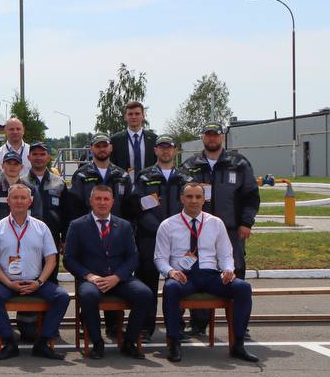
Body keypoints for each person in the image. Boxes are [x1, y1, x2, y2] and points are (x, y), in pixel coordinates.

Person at [156, 182, 258, 362]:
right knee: (170, 289)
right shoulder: (168, 225)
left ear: (204, 199)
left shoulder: (215, 223)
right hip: (184, 276)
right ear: (182, 199)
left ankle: (238, 343)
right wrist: (170, 272)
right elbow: (160, 258)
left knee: (242, 287)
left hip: (210, 275)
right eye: (189, 196)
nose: (193, 201)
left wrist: (228, 270)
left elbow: (226, 253)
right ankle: (174, 343)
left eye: (198, 197)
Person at [179, 121, 259, 339]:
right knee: (199, 272)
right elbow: (182, 195)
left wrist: (246, 223)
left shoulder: (238, 162)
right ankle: (198, 322)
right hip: (199, 230)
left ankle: (239, 323)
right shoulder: (190, 165)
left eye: (215, 135)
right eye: (208, 135)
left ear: (222, 137)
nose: (211, 139)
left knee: (234, 271)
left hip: (232, 230)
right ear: (202, 138)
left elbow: (251, 195)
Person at [63, 185, 154, 359]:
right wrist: (89, 276)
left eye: (106, 199)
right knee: (88, 296)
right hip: (92, 280)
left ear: (112, 202)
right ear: (91, 201)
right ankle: (97, 342)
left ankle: (129, 342)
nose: (102, 203)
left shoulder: (124, 225)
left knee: (145, 294)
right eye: (98, 199)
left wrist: (118, 276)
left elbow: (133, 257)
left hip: (119, 279)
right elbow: (69, 259)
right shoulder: (77, 225)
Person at [0, 184, 69, 361]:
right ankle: (9, 342)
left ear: (31, 202)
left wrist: (39, 282)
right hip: (7, 282)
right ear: (8, 201)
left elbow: (52, 260)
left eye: (23, 198)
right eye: (15, 198)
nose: (19, 201)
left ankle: (43, 342)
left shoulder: (41, 227)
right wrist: (8, 283)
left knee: (62, 297)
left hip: (35, 282)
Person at [70, 134, 131, 339]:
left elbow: (130, 206)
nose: (102, 149)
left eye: (105, 146)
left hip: (117, 232)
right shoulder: (81, 175)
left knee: (115, 279)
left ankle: (114, 326)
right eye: (98, 146)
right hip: (88, 232)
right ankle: (87, 326)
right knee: (88, 284)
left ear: (111, 148)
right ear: (91, 149)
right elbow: (75, 205)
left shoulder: (121, 175)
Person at [130, 135, 187, 338]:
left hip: (180, 239)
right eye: (161, 148)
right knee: (147, 284)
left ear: (175, 151)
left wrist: (176, 232)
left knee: (179, 282)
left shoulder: (185, 178)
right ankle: (146, 326)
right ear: (155, 151)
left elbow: (192, 206)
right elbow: (138, 207)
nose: (165, 151)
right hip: (150, 237)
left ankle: (177, 326)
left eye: (169, 148)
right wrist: (161, 229)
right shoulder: (145, 177)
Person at [25, 142, 68, 245]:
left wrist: (65, 238)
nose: (38, 157)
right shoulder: (21, 183)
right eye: (35, 154)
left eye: (42, 154)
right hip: (27, 236)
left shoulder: (59, 182)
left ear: (48, 157)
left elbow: (66, 212)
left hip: (53, 235)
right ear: (28, 157)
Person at [109, 101, 158, 177]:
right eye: (130, 114)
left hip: (148, 184)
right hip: (124, 183)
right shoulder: (115, 140)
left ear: (143, 116)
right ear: (125, 117)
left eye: (137, 114)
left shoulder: (154, 139)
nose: (134, 117)